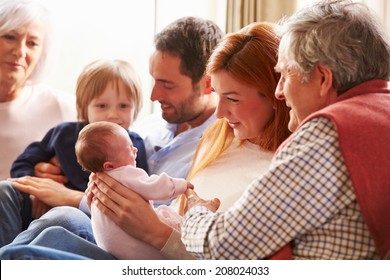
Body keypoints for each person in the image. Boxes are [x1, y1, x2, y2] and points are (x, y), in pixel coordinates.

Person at [0, 21, 292, 260]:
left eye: (166, 84)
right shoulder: (204, 132)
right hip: (119, 227)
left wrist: (75, 198)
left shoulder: (266, 163)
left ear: (277, 93)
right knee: (27, 205)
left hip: (150, 251)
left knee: (44, 237)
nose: (152, 96)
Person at [180, 0, 390, 259]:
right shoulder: (380, 113)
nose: (279, 91)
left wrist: (195, 212)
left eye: (286, 75)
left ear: (323, 79)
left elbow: (225, 244)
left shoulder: (326, 135)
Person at [0, 58, 148, 247]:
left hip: (87, 218)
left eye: (124, 106)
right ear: (84, 107)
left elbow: (140, 192)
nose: (113, 114)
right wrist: (36, 191)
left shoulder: (134, 144)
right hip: (40, 206)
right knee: (4, 189)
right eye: (102, 106)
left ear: (135, 109)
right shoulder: (64, 134)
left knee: (62, 215)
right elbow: (23, 163)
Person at [75, 121, 193, 259]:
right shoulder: (125, 173)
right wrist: (180, 185)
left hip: (108, 247)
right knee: (165, 213)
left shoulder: (96, 180)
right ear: (109, 166)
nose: (135, 149)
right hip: (139, 250)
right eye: (129, 148)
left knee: (57, 226)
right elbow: (155, 187)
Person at [0, 0, 77, 180]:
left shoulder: (63, 107)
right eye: (10, 37)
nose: (20, 51)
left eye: (32, 43)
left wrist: (58, 169)